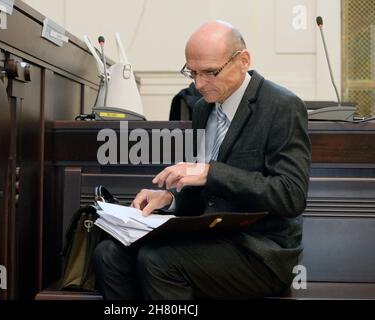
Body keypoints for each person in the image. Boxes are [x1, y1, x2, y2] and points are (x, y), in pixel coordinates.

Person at [93, 20, 312, 299]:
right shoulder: (201, 109)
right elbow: (203, 196)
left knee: (158, 261)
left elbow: (291, 195)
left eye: (209, 73)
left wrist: (211, 172)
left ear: (243, 60)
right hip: (210, 238)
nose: (198, 84)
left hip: (262, 250)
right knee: (109, 255)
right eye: (192, 73)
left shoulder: (282, 106)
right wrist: (170, 200)